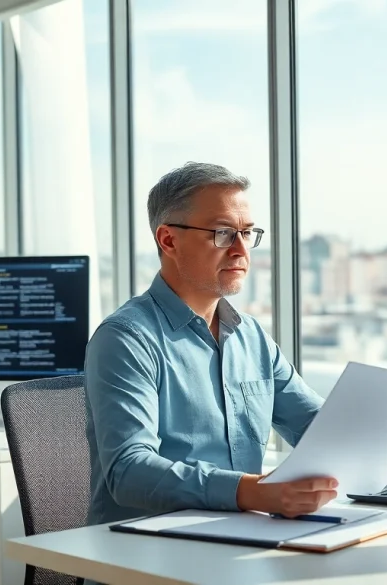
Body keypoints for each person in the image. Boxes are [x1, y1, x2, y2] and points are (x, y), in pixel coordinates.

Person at [83, 162, 338, 528]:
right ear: (168, 240)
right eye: (222, 233)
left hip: (237, 537)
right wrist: (254, 491)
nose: (240, 250)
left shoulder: (250, 336)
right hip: (144, 553)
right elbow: (129, 471)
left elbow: (317, 426)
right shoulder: (126, 338)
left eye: (246, 233)